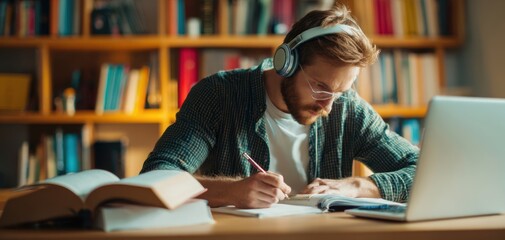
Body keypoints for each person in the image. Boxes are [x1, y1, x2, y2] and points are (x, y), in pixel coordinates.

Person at [141, 4, 419, 209]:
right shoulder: (219, 95)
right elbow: (158, 176)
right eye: (320, 87)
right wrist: (230, 192)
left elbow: (420, 167)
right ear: (286, 63)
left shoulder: (348, 110)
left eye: (340, 92)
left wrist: (359, 186)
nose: (328, 105)